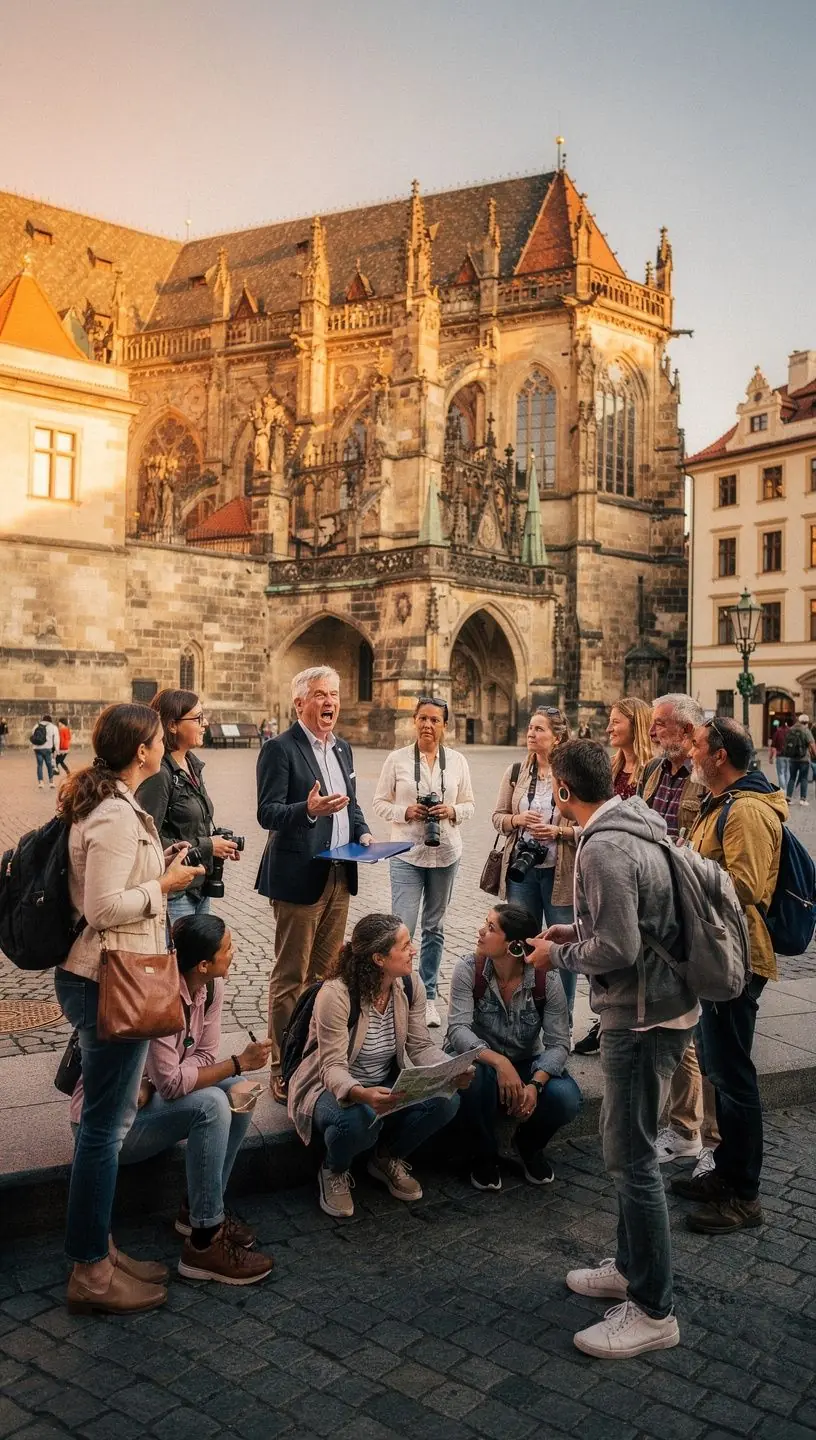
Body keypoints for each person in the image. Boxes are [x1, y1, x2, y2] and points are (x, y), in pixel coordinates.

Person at [527, 739, 697, 1360]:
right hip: (665, 1006)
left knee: (633, 1160)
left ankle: (654, 1309)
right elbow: (632, 921)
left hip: (641, 1018)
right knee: (635, 1149)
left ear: (564, 791)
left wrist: (559, 954)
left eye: (553, 786)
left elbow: (619, 950)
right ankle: (629, 1267)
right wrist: (577, 928)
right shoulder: (638, 820)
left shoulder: (600, 846)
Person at [54, 702, 205, 1315]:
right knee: (103, 1132)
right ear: (141, 751)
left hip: (109, 975)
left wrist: (158, 868)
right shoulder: (115, 813)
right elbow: (103, 907)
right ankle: (89, 1270)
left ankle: (100, 1247)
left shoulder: (115, 805)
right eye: (154, 738)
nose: (162, 741)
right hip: (109, 981)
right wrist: (163, 888)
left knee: (106, 1128)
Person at [70, 913, 275, 1285]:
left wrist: (231, 1069)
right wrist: (237, 1061)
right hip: (113, 1125)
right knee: (213, 1102)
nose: (235, 954)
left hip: (150, 1103)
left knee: (239, 1089)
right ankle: (204, 1241)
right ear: (203, 963)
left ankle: (197, 1208)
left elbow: (202, 1059)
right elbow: (172, 1085)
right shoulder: (160, 994)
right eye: (228, 949)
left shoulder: (210, 987)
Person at [670, 717, 786, 1234]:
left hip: (738, 958)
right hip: (714, 954)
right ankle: (726, 1173)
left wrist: (683, 868)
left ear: (719, 755)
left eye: (697, 745)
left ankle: (745, 1194)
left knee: (735, 1079)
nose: (690, 752)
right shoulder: (720, 805)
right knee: (721, 1070)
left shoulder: (746, 812)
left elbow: (746, 887)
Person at [287, 913, 468, 1218]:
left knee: (448, 1099)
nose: (414, 950)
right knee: (357, 1121)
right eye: (405, 945)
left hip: (383, 1082)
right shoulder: (336, 994)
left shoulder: (409, 983)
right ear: (379, 959)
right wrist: (361, 1093)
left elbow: (420, 1045)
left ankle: (387, 1158)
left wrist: (450, 1069)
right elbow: (331, 1067)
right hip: (328, 1087)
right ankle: (333, 1170)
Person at [256, 666, 372, 1103]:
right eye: (321, 695)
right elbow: (268, 812)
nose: (330, 702)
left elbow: (352, 804)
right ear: (300, 702)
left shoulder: (342, 747)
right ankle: (281, 1066)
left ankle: (312, 1055)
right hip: (298, 875)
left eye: (335, 694)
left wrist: (362, 833)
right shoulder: (279, 749)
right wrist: (307, 810)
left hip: (341, 872)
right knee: (291, 976)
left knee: (325, 976)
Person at [446, 903, 581, 1191]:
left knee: (567, 1097)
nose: (480, 932)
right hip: (481, 1062)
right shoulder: (468, 969)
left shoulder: (547, 980)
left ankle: (529, 1145)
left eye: (491, 928)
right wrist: (499, 1062)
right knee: (472, 1077)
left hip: (524, 1063)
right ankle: (483, 1153)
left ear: (514, 946)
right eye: (485, 923)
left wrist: (536, 1084)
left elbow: (559, 1043)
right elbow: (457, 1031)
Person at [628, 693, 710, 1167]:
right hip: (654, 905)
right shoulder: (654, 771)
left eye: (659, 724)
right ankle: (683, 1126)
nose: (652, 730)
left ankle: (692, 1131)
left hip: (686, 909)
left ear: (684, 728)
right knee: (672, 1019)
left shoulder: (701, 775)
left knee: (689, 1024)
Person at [373, 697, 475, 1027]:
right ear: (414, 721)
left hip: (445, 853)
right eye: (422, 719)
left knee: (435, 927)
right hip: (406, 851)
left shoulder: (457, 761)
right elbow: (379, 802)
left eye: (435, 720)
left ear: (445, 725)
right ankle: (397, 994)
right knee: (401, 927)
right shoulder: (397, 759)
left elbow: (470, 804)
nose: (428, 725)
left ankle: (428, 995)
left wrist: (453, 811)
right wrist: (405, 811)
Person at [491, 708, 578, 1026]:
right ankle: (522, 1013)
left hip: (561, 874)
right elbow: (497, 816)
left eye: (539, 729)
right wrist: (517, 820)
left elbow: (590, 824)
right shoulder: (516, 771)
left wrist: (559, 832)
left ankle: (562, 1020)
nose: (531, 734)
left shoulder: (572, 774)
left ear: (557, 737)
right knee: (520, 943)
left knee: (563, 952)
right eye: (530, 728)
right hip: (522, 873)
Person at [137, 689, 240, 924]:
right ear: (172, 725)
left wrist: (219, 844)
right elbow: (145, 839)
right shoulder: (160, 773)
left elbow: (189, 823)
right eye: (197, 719)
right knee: (179, 960)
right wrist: (206, 846)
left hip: (198, 884)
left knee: (197, 959)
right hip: (175, 891)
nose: (205, 724)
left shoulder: (192, 764)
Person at [607, 697, 654, 800]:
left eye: (615, 722)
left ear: (636, 725)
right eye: (610, 722)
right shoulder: (609, 766)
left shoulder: (655, 770)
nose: (608, 729)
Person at [784, 713, 816, 806]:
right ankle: (802, 799)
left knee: (792, 778)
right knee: (804, 778)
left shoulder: (791, 729)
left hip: (792, 759)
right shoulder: (806, 730)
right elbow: (812, 744)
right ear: (806, 722)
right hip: (804, 759)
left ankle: (788, 798)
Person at [30, 712, 59, 788]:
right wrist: (57, 749)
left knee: (39, 765)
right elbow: (56, 739)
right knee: (49, 765)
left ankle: (41, 782)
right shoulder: (53, 727)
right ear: (50, 720)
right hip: (47, 748)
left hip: (37, 748)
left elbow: (33, 735)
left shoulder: (36, 725)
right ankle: (51, 782)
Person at [769, 718, 791, 794]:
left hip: (780, 755)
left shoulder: (778, 732)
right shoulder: (791, 731)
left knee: (780, 773)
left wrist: (771, 757)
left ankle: (783, 788)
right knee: (787, 772)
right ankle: (788, 788)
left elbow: (773, 746)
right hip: (789, 755)